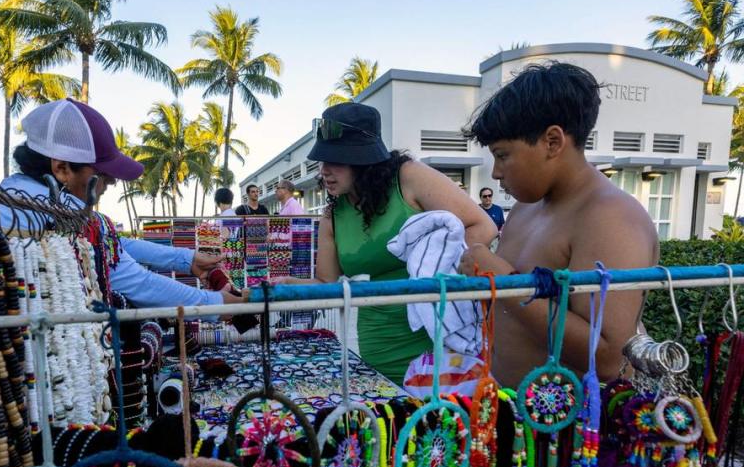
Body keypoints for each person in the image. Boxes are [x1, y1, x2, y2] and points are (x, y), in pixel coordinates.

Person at [460, 62, 658, 388]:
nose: (495, 173)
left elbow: (608, 358)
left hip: (571, 431)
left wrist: (502, 280)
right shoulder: (527, 206)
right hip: (510, 413)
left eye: (503, 155)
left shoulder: (611, 219)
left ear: (552, 142)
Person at [278, 102, 497, 385]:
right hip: (376, 346)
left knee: (440, 425)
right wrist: (282, 284)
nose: (324, 171)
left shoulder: (408, 178)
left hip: (437, 341)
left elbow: (483, 226)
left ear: (363, 160)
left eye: (336, 161)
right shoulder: (332, 215)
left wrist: (435, 265)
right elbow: (326, 284)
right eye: (322, 162)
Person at [0, 98, 242, 311]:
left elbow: (114, 244)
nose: (113, 183)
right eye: (103, 175)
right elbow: (136, 282)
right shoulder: (55, 216)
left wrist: (187, 260)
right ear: (62, 169)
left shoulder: (13, 193)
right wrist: (218, 303)